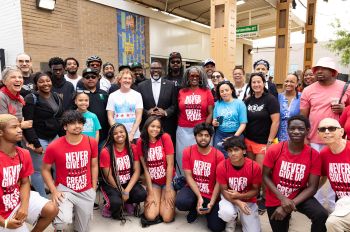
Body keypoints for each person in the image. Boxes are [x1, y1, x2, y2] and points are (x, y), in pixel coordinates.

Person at [300, 57, 350, 211]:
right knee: (316, 173)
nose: (319, 71)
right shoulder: (308, 90)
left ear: (333, 71)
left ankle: (338, 206)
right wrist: (305, 138)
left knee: (337, 174)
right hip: (314, 138)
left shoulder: (345, 87)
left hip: (337, 140)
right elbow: (303, 117)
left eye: (323, 68)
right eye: (317, 69)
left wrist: (342, 109)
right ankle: (318, 206)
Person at [263, 115, 328, 232]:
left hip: (299, 195)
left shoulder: (314, 155)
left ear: (308, 131)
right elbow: (265, 176)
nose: (296, 132)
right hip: (277, 196)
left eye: (301, 129)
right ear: (287, 130)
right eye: (292, 128)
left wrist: (288, 205)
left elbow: (312, 187)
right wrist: (282, 199)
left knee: (321, 215)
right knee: (280, 227)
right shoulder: (275, 150)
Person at [42, 110, 98, 232]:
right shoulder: (54, 146)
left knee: (82, 230)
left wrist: (93, 187)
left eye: (80, 123)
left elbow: (94, 165)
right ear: (65, 126)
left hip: (86, 189)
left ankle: (73, 212)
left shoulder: (91, 142)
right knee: (61, 223)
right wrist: (54, 191)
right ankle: (62, 216)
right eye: (72, 123)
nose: (77, 126)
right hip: (65, 189)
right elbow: (45, 170)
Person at [0, 114, 58, 232]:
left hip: (16, 200)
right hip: (2, 213)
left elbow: (25, 182)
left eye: (19, 126)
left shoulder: (23, 153)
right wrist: (3, 222)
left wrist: (24, 207)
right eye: (14, 127)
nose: (20, 130)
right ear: (1, 132)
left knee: (52, 208)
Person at [175, 123, 225, 232]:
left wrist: (211, 203)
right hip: (193, 189)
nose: (203, 138)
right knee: (181, 202)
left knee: (217, 227)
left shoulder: (218, 155)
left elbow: (219, 182)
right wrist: (199, 197)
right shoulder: (188, 151)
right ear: (195, 136)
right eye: (200, 135)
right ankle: (194, 207)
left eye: (206, 135)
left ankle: (207, 209)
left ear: (210, 137)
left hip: (211, 194)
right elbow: (188, 176)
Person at [22, 72, 64, 198]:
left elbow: (60, 118)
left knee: (59, 167)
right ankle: (43, 199)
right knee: (38, 170)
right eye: (41, 81)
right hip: (39, 138)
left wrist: (63, 138)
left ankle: (59, 194)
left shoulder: (56, 96)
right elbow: (28, 124)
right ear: (36, 84)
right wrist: (35, 143)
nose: (45, 83)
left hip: (54, 137)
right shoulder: (31, 98)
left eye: (48, 80)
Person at [99, 123, 146, 219]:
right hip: (112, 184)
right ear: (111, 136)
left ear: (126, 133)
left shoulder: (132, 148)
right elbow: (108, 177)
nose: (119, 135)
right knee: (116, 203)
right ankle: (108, 206)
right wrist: (121, 190)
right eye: (115, 133)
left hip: (127, 182)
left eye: (121, 132)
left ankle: (127, 202)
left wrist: (126, 191)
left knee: (142, 194)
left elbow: (137, 171)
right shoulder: (106, 151)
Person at [216, 136, 262, 232]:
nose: (233, 153)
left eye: (236, 150)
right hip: (229, 198)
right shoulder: (222, 166)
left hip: (248, 199)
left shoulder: (254, 167)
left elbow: (255, 190)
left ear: (244, 151)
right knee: (226, 213)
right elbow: (223, 190)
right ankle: (231, 220)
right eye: (230, 151)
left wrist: (241, 196)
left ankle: (244, 218)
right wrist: (238, 201)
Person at [136, 117, 176, 223]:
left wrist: (168, 189)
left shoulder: (165, 138)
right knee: (150, 216)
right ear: (147, 127)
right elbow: (146, 169)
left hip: (168, 181)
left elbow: (170, 165)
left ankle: (167, 198)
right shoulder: (141, 142)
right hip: (154, 183)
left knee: (167, 218)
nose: (155, 129)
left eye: (158, 127)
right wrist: (149, 192)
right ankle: (159, 202)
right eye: (152, 126)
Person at [176, 66, 214, 172]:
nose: (194, 78)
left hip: (201, 130)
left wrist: (204, 128)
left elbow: (211, 112)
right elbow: (178, 110)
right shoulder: (181, 92)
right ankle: (182, 180)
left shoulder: (206, 91)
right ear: (187, 77)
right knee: (182, 156)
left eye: (197, 76)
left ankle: (200, 179)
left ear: (201, 77)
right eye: (192, 75)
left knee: (200, 158)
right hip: (183, 130)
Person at [317, 118, 350, 232]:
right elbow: (323, 177)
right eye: (322, 129)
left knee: (332, 223)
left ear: (341, 132)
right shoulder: (324, 154)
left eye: (331, 128)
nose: (326, 132)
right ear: (318, 134)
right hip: (343, 203)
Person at [138, 60, 177, 144]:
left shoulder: (171, 85)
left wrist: (165, 112)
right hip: (148, 125)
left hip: (166, 125)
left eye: (158, 68)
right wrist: (147, 112)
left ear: (162, 70)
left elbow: (174, 105)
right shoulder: (141, 86)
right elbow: (138, 105)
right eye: (153, 68)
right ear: (150, 70)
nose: (155, 70)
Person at [106, 69, 143, 142]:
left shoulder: (137, 95)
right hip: (118, 136)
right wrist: (118, 132)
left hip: (134, 135)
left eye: (129, 78)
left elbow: (139, 116)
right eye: (125, 78)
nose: (127, 80)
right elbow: (110, 116)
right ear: (119, 80)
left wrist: (132, 134)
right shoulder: (112, 95)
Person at [212, 81, 247, 157]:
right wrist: (214, 123)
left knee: (234, 158)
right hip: (220, 134)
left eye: (226, 90)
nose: (224, 93)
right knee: (218, 157)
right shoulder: (218, 103)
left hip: (236, 134)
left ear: (232, 90)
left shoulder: (239, 103)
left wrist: (234, 137)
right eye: (222, 91)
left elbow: (243, 124)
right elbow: (215, 120)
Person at [78, 68, 109, 150]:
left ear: (98, 78)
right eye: (87, 77)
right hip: (83, 137)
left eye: (93, 77)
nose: (90, 79)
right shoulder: (79, 95)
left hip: (103, 137)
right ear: (83, 79)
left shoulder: (104, 94)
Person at [277, 73, 301, 141]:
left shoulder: (301, 97)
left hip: (296, 134)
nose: (288, 84)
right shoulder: (278, 97)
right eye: (286, 81)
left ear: (296, 84)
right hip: (279, 135)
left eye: (292, 82)